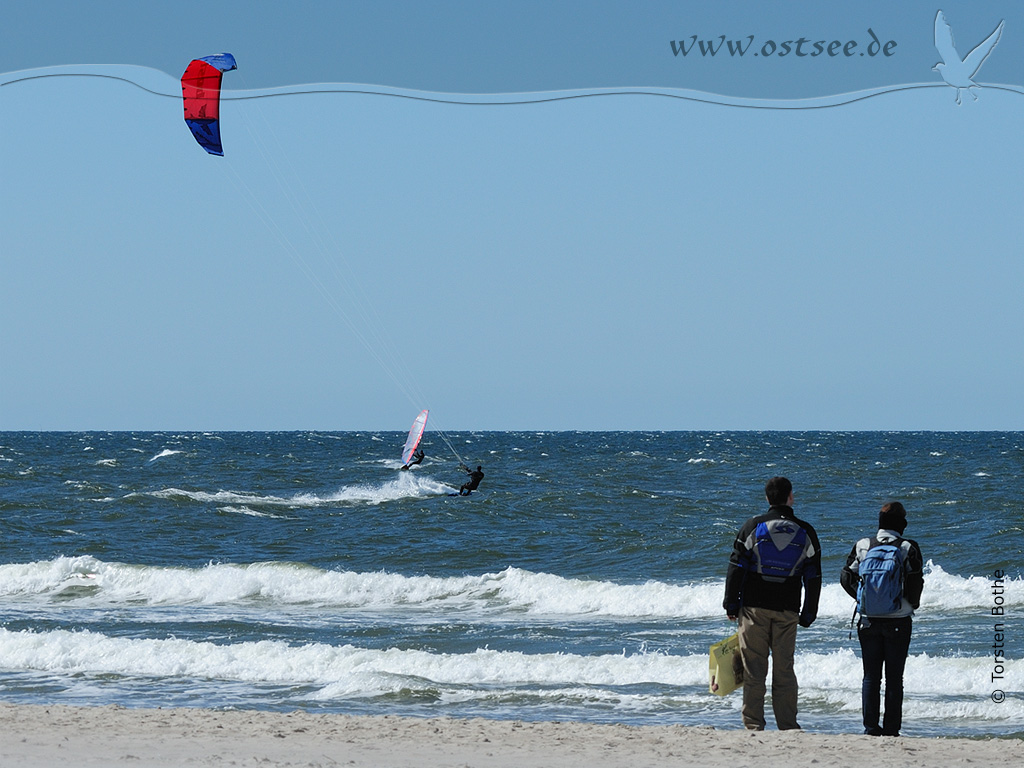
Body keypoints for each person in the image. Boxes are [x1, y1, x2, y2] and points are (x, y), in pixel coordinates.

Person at [723, 476, 822, 731]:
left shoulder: (752, 526)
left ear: (767, 498)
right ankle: (788, 725)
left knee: (754, 668)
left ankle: (754, 725)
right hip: (788, 609)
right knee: (784, 670)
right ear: (791, 497)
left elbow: (736, 566)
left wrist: (730, 604)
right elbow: (814, 576)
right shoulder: (806, 531)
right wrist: (809, 611)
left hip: (754, 607)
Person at [840, 502, 924, 737]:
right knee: (894, 678)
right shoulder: (908, 547)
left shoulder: (863, 545)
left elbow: (846, 576)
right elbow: (915, 582)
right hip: (898, 620)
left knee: (871, 677)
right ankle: (891, 729)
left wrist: (862, 598)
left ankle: (870, 728)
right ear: (902, 524)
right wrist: (911, 603)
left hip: (868, 620)